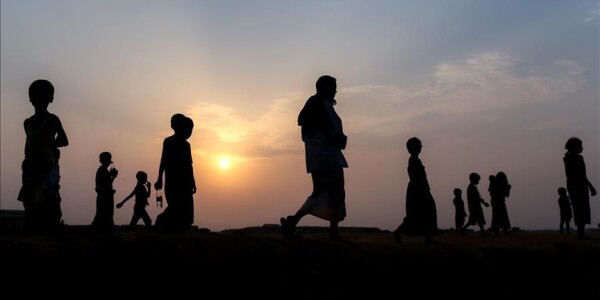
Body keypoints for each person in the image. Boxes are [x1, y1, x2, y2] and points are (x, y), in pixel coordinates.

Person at [280, 75, 348, 241]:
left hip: (327, 155)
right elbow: (319, 130)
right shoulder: (317, 104)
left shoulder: (323, 105)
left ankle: (329, 231)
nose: (335, 90)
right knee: (326, 191)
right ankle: (293, 221)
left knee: (334, 193)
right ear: (324, 88)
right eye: (332, 87)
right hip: (324, 157)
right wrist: (336, 138)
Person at [17, 79, 69, 233]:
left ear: (50, 98)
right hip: (29, 165)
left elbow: (64, 140)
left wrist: (51, 146)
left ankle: (46, 227)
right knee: (29, 198)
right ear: (30, 98)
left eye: (42, 94)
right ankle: (36, 227)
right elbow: (30, 142)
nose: (37, 98)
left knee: (44, 197)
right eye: (34, 94)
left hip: (46, 165)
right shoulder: (27, 122)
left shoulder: (52, 119)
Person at [154, 114, 196, 233]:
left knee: (186, 205)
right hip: (173, 179)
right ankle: (163, 222)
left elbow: (189, 165)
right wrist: (159, 179)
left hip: (185, 180)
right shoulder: (169, 142)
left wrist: (192, 181)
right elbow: (163, 161)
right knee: (175, 205)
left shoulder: (186, 145)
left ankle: (183, 226)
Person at [392, 137, 438, 243]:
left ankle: (428, 237)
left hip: (420, 189)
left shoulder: (415, 160)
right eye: (419, 146)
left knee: (426, 212)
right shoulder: (413, 161)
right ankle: (399, 232)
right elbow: (416, 177)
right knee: (416, 215)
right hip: (418, 190)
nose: (421, 147)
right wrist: (422, 190)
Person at [563, 137, 597, 240]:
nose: (582, 148)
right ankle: (580, 235)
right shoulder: (570, 159)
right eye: (580, 146)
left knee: (583, 210)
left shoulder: (576, 158)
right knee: (579, 210)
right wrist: (591, 187)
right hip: (576, 187)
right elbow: (580, 175)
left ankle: (581, 234)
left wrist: (589, 187)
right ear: (574, 147)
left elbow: (582, 175)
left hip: (580, 187)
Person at [92, 152, 118, 232]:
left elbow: (107, 184)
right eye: (108, 159)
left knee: (103, 216)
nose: (109, 162)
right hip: (104, 197)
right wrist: (113, 177)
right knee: (104, 216)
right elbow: (104, 186)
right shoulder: (102, 171)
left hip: (105, 196)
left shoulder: (104, 171)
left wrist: (112, 177)